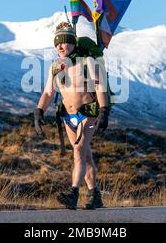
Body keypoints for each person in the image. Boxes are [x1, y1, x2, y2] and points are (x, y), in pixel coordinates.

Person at [34, 22, 110, 210]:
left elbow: (100, 87)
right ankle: (95, 196)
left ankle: (73, 193)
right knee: (85, 156)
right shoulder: (55, 67)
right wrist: (39, 111)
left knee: (78, 151)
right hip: (68, 116)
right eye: (57, 43)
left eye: (65, 42)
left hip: (88, 112)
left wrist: (103, 111)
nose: (60, 46)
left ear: (73, 42)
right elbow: (47, 92)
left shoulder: (87, 61)